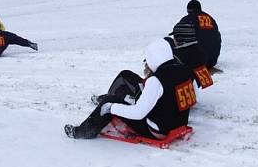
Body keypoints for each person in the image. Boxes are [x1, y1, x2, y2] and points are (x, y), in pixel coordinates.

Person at [64, 38, 196, 140]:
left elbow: (139, 113)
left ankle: (82, 132)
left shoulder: (156, 81)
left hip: (158, 130)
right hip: (178, 121)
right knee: (127, 75)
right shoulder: (182, 69)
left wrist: (112, 108)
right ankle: (111, 100)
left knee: (108, 103)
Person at [171, 0, 221, 69]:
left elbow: (177, 34)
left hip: (197, 63)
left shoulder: (187, 19)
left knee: (172, 41)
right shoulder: (210, 19)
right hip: (212, 61)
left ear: (188, 10)